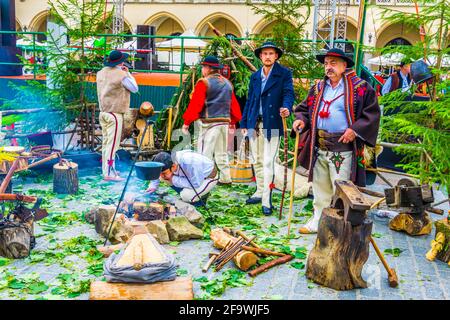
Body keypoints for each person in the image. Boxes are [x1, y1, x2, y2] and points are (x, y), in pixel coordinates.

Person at [292, 48, 381, 234]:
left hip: (343, 150)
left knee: (341, 189)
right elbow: (304, 109)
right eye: (326, 63)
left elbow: (371, 114)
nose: (328, 67)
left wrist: (355, 130)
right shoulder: (317, 88)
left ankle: (340, 226)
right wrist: (301, 120)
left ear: (344, 65)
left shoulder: (361, 87)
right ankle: (318, 220)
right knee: (319, 187)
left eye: (333, 63)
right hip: (319, 147)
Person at [240, 41, 295, 215]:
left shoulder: (283, 74)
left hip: (273, 124)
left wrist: (286, 107)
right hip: (254, 124)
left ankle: (266, 199)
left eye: (271, 53)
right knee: (256, 160)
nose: (268, 56)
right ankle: (258, 190)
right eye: (265, 54)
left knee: (268, 162)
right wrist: (244, 123)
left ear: (276, 56)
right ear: (260, 56)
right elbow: (250, 101)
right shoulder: (255, 76)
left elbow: (288, 93)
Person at [182, 56, 242, 185]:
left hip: (208, 124)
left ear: (209, 68)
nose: (202, 69)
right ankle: (226, 178)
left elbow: (196, 104)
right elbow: (234, 105)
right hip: (224, 123)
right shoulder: (227, 83)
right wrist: (234, 121)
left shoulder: (203, 82)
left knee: (204, 153)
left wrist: (187, 122)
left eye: (203, 67)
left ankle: (203, 180)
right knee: (222, 152)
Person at [96, 50, 138, 181]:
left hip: (103, 112)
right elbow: (135, 88)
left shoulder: (100, 73)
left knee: (106, 144)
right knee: (112, 146)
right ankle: (109, 173)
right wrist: (127, 73)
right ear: (120, 62)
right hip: (115, 114)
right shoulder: (122, 75)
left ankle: (107, 170)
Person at [146, 150, 218, 206]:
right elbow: (158, 174)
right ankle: (186, 193)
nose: (161, 175)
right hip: (188, 177)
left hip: (206, 178)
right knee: (165, 178)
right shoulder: (169, 160)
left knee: (186, 196)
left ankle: (199, 199)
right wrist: (153, 186)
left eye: (164, 173)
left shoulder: (190, 162)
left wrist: (173, 179)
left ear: (173, 166)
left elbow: (195, 183)